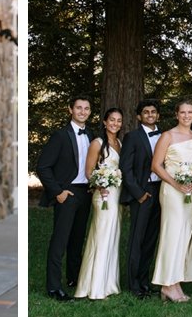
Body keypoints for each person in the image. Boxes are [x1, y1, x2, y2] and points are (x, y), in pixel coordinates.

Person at [36, 95, 92, 302]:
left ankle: (73, 279)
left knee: (77, 240)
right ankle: (53, 287)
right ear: (71, 109)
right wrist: (58, 192)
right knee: (60, 241)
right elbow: (43, 166)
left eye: (86, 108)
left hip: (85, 193)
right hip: (66, 193)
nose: (82, 112)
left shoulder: (91, 135)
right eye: (79, 108)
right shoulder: (60, 136)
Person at [151, 100, 192, 302]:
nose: (186, 116)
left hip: (191, 193)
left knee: (185, 236)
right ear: (176, 114)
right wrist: (176, 184)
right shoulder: (168, 136)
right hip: (172, 192)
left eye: (190, 112)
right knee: (172, 235)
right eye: (183, 112)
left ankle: (176, 282)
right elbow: (156, 166)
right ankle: (167, 284)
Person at [73, 107, 125, 300]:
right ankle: (94, 286)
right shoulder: (97, 143)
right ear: (104, 121)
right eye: (112, 120)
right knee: (101, 235)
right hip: (102, 195)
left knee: (113, 235)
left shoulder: (119, 142)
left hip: (116, 194)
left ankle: (108, 282)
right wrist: (99, 185)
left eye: (119, 121)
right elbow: (88, 171)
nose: (115, 124)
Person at [119, 98, 163, 299]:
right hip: (142, 193)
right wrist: (138, 193)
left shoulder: (164, 136)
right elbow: (125, 169)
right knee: (137, 238)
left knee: (151, 239)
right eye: (146, 112)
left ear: (158, 115)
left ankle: (145, 281)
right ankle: (134, 283)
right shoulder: (132, 137)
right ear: (139, 116)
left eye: (153, 112)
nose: (150, 115)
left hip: (160, 192)